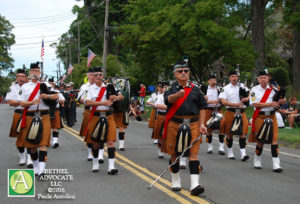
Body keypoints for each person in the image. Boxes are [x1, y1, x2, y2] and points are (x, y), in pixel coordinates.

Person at [164, 61, 207, 196]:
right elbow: (168, 100)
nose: (184, 73)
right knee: (175, 154)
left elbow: (202, 107)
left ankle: (195, 184)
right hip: (175, 123)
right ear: (175, 74)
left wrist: (202, 124)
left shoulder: (195, 89)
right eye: (180, 71)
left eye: (186, 71)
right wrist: (178, 95)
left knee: (193, 153)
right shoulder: (171, 88)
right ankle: (175, 179)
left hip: (193, 123)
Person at [18, 62, 58, 178]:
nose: (35, 72)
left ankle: (41, 170)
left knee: (43, 144)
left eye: (37, 70)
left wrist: (47, 96)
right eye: (33, 71)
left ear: (40, 72)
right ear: (30, 73)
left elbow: (57, 96)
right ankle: (36, 166)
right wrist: (31, 102)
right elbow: (21, 103)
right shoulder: (25, 87)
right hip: (30, 116)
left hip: (44, 116)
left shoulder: (46, 85)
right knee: (32, 146)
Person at [85, 67, 122, 174]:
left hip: (108, 116)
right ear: (92, 76)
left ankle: (111, 167)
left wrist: (116, 98)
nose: (98, 77)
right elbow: (88, 103)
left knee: (110, 141)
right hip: (96, 116)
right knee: (96, 143)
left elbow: (121, 96)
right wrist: (102, 103)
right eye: (95, 75)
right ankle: (95, 163)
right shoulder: (90, 89)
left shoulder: (109, 87)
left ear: (102, 76)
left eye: (100, 75)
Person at [248, 71, 286, 172]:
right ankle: (257, 159)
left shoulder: (274, 88)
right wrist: (270, 104)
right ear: (258, 79)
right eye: (261, 78)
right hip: (260, 117)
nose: (263, 80)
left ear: (268, 78)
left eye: (265, 77)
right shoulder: (254, 90)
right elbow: (254, 104)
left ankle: (276, 164)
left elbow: (283, 100)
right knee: (261, 140)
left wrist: (282, 100)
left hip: (272, 116)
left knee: (274, 140)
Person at [6, 69, 33, 168]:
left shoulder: (30, 87)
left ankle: (30, 157)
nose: (20, 78)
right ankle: (22, 156)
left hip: (29, 113)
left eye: (22, 76)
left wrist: (20, 102)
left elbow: (35, 100)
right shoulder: (13, 87)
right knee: (19, 136)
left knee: (30, 136)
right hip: (18, 113)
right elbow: (10, 102)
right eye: (18, 76)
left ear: (26, 77)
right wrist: (22, 102)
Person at [202, 75, 226, 155]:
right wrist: (212, 102)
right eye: (211, 80)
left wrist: (221, 100)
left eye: (214, 80)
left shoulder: (219, 89)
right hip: (209, 110)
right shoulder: (205, 89)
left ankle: (221, 147)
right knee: (209, 128)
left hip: (218, 110)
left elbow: (224, 99)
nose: (213, 81)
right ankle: (210, 147)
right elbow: (202, 101)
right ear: (209, 81)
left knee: (222, 126)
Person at [78, 67, 96, 161]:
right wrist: (83, 100)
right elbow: (79, 99)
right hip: (88, 110)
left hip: (99, 111)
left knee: (100, 131)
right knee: (88, 132)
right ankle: (90, 153)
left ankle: (99, 153)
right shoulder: (84, 87)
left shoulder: (102, 86)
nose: (92, 77)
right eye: (91, 75)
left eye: (94, 75)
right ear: (88, 76)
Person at [151, 82, 167, 158]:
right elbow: (157, 106)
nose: (166, 89)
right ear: (162, 88)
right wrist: (167, 107)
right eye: (164, 87)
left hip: (170, 116)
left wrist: (164, 106)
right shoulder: (160, 96)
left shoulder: (172, 97)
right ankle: (160, 150)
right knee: (160, 133)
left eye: (167, 87)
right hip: (161, 115)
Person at [48, 79, 65, 148]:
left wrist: (61, 101)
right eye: (50, 83)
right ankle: (47, 141)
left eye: (52, 83)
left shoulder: (57, 93)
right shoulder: (44, 92)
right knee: (46, 127)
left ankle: (55, 141)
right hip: (46, 111)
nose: (51, 84)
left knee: (55, 126)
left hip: (55, 110)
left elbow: (63, 100)